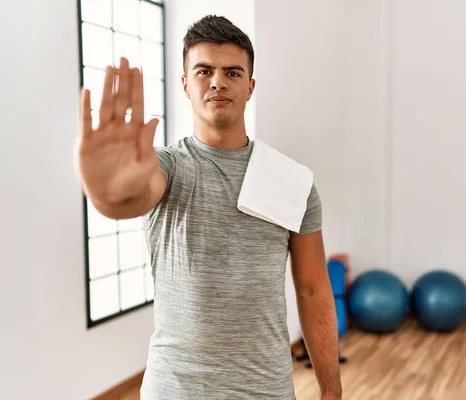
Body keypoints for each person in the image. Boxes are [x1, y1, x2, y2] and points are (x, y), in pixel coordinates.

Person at [75, 15, 342, 400]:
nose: (218, 81)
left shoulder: (293, 182)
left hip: (267, 390)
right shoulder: (164, 167)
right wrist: (103, 190)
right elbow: (128, 198)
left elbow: (314, 290)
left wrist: (331, 391)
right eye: (204, 71)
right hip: (176, 390)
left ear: (250, 87)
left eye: (233, 73)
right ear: (186, 84)